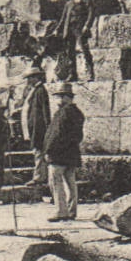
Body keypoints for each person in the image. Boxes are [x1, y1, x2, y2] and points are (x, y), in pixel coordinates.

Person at [43, 82, 84, 221]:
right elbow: (78, 136)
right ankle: (71, 211)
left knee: (56, 182)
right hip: (71, 153)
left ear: (67, 97)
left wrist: (48, 150)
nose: (58, 99)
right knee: (70, 183)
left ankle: (61, 211)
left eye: (60, 96)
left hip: (58, 154)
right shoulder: (77, 113)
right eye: (57, 96)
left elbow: (56, 134)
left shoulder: (63, 112)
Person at [18, 68, 51, 192]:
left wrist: (47, 127)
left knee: (39, 152)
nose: (27, 80)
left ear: (35, 78)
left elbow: (45, 111)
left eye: (29, 78)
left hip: (39, 127)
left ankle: (39, 177)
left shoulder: (41, 91)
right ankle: (41, 175)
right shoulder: (34, 90)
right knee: (37, 151)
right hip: (34, 127)